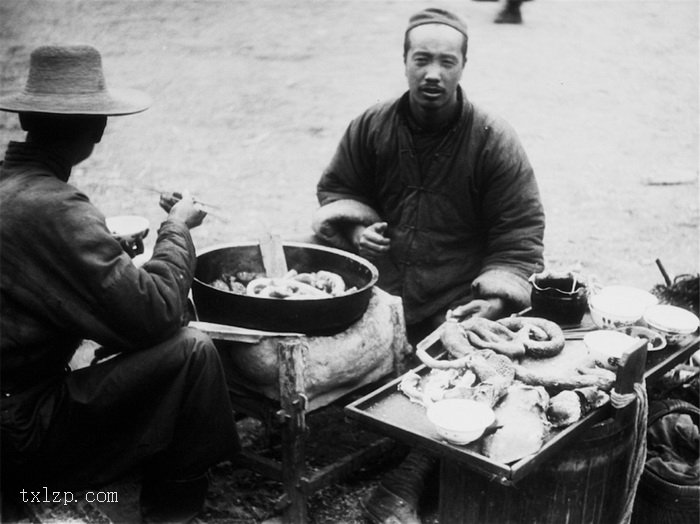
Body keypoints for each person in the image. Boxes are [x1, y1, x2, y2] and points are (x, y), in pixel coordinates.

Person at [312, 8, 544, 523]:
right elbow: (339, 187)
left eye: (446, 61)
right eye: (421, 60)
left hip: (455, 300)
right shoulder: (372, 125)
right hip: (383, 290)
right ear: (404, 62)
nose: (432, 74)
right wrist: (356, 227)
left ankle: (414, 471)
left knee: (492, 379)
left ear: (463, 65)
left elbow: (520, 230)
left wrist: (499, 296)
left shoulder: (492, 138)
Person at [0, 45, 239, 523]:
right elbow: (155, 316)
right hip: (18, 435)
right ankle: (174, 511)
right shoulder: (56, 208)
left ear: (25, 118)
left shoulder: (14, 189)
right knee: (191, 352)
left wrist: (109, 249)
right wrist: (178, 227)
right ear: (99, 128)